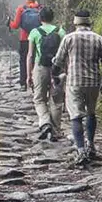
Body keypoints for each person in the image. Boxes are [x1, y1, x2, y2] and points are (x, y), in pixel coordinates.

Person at [51, 9, 102, 164]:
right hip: (93, 82)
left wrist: (55, 76)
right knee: (91, 113)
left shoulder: (69, 38)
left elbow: (58, 62)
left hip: (74, 83)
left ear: (75, 22)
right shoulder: (99, 39)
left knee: (76, 116)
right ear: (89, 22)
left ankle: (80, 150)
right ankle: (91, 146)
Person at [26, 7, 66, 141]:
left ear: (40, 18)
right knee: (56, 100)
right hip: (57, 69)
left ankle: (45, 123)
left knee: (39, 99)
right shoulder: (60, 32)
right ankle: (55, 130)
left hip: (40, 68)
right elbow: (65, 55)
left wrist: (28, 75)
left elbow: (30, 55)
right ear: (52, 17)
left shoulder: (34, 32)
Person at [8, 0, 43, 91]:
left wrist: (9, 22)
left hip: (24, 39)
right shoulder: (40, 8)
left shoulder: (21, 9)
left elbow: (15, 25)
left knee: (23, 60)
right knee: (36, 60)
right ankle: (36, 82)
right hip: (38, 38)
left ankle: (23, 83)